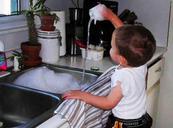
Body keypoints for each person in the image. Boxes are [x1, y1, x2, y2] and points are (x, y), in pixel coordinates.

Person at [63, 5, 156, 128]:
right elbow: (123, 35)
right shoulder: (140, 62)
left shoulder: (122, 76)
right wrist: (110, 16)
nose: (110, 48)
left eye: (112, 47)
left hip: (123, 124)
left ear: (122, 59)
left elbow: (108, 103)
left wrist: (82, 95)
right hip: (141, 120)